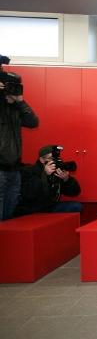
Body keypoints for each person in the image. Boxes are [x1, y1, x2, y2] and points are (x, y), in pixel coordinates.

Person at [0, 55, 39, 220]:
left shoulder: (15, 109)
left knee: (11, 209)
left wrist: (20, 101)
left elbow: (33, 122)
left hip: (14, 168)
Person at [14, 145, 82, 216]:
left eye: (57, 158)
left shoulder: (56, 171)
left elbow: (75, 192)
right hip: (32, 208)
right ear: (42, 160)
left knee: (76, 206)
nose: (55, 161)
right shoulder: (29, 170)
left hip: (51, 207)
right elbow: (27, 193)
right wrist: (45, 174)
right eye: (51, 158)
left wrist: (67, 179)